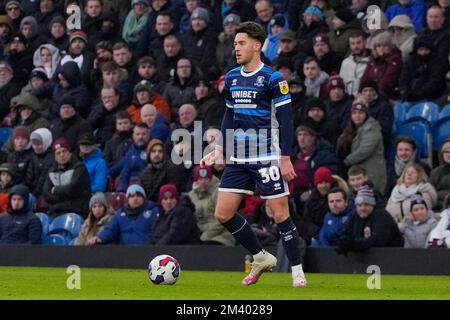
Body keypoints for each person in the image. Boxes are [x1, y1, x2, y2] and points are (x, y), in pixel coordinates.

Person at [201, 22, 308, 288]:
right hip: (238, 157)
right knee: (223, 214)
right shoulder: (233, 78)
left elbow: (286, 120)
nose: (236, 48)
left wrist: (285, 157)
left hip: (267, 156)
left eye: (241, 43)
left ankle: (297, 271)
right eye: (235, 43)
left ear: (257, 45)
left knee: (280, 214)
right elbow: (229, 115)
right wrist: (220, 148)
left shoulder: (274, 79)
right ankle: (261, 257)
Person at [336, 184, 404, 254]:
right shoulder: (354, 216)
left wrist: (353, 244)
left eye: (366, 205)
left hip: (391, 256)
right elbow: (345, 233)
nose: (362, 208)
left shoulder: (381, 215)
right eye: (359, 205)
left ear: (373, 204)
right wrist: (343, 242)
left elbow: (378, 240)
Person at [337, 101, 386, 194]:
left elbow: (365, 150)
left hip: (371, 172)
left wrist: (346, 161)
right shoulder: (351, 129)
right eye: (354, 113)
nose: (357, 116)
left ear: (366, 114)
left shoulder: (371, 129)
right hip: (357, 173)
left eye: (361, 113)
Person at [88, 184, 158, 245]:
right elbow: (110, 229)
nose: (135, 198)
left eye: (139, 196)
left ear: (144, 198)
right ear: (128, 199)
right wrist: (100, 238)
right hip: (124, 252)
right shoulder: (120, 213)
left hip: (146, 251)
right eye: (132, 196)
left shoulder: (153, 211)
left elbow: (156, 232)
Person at [43, 137, 92, 218]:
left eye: (64, 151)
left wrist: (55, 190)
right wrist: (65, 194)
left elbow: (73, 189)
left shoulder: (80, 168)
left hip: (77, 211)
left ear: (70, 152)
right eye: (58, 153)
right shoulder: (52, 171)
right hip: (57, 211)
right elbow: (46, 195)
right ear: (55, 157)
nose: (62, 155)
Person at [188, 165, 235, 246]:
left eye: (206, 178)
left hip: (221, 236)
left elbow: (222, 219)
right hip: (200, 235)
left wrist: (204, 236)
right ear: (195, 181)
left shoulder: (219, 192)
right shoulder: (192, 195)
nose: (203, 182)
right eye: (200, 179)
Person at [386, 163, 437, 231]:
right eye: (407, 172)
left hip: (415, 231)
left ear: (419, 176)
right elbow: (387, 211)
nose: (409, 174)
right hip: (394, 229)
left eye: (413, 172)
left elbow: (422, 216)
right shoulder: (396, 191)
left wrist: (402, 225)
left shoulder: (423, 193)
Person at [339, 31, 370, 97]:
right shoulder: (345, 62)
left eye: (358, 43)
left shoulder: (372, 61)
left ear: (365, 42)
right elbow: (342, 84)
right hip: (348, 100)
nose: (356, 46)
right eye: (353, 44)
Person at [429, 139, 450, 211]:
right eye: (446, 152)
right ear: (441, 154)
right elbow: (430, 193)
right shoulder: (435, 172)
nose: (449, 154)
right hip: (438, 209)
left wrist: (439, 194)